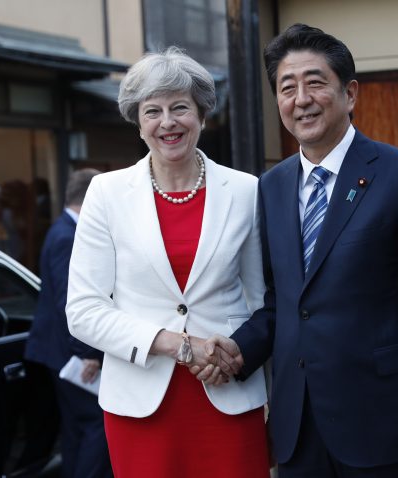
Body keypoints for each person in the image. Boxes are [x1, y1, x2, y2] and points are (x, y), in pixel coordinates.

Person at [200, 24, 398, 477]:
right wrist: (237, 350)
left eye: (315, 82)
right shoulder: (272, 186)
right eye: (287, 87)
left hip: (385, 423)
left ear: (350, 93)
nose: (301, 98)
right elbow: (281, 302)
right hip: (299, 427)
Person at [65, 47, 270, 478]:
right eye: (152, 111)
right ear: (138, 123)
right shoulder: (106, 194)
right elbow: (83, 312)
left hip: (228, 392)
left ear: (202, 114)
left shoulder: (246, 190)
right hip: (140, 405)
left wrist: (234, 355)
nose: (168, 122)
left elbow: (262, 301)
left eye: (180, 108)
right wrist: (178, 345)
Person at [24, 169, 112, 478]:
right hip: (71, 353)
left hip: (60, 351)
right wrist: (88, 352)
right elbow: (68, 302)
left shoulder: (59, 229)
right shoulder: (69, 236)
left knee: (75, 431)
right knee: (95, 427)